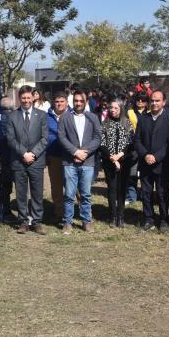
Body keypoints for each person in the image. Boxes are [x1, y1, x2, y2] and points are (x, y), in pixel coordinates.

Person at [7, 85, 49, 234]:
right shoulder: (12, 116)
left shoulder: (42, 115)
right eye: (23, 98)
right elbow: (10, 139)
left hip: (36, 161)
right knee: (21, 192)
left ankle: (37, 221)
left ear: (33, 97)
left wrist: (33, 154)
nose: (26, 100)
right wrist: (24, 153)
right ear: (19, 98)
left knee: (37, 192)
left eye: (28, 97)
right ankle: (23, 221)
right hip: (19, 161)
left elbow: (45, 138)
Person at [58, 90, 102, 233]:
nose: (78, 103)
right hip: (70, 162)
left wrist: (85, 152)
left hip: (87, 162)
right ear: (73, 102)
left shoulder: (93, 118)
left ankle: (86, 221)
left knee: (86, 194)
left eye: (81, 101)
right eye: (76, 101)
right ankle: (68, 222)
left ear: (86, 102)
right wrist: (75, 152)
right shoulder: (65, 117)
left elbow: (97, 138)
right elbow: (62, 137)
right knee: (69, 194)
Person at [135, 89, 169, 232]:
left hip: (163, 163)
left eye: (157, 100)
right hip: (145, 162)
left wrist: (157, 156)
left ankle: (164, 219)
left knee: (162, 193)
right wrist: (145, 154)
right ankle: (149, 219)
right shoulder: (143, 118)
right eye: (152, 100)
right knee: (146, 192)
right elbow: (137, 140)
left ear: (164, 102)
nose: (154, 103)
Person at [100, 97, 135, 228]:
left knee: (122, 189)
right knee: (112, 189)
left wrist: (120, 155)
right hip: (109, 161)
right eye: (111, 107)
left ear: (121, 109)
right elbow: (102, 144)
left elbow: (131, 143)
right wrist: (112, 158)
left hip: (124, 161)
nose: (113, 110)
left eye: (116, 108)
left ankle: (121, 216)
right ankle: (112, 216)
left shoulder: (127, 123)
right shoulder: (105, 123)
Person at [46, 92, 69, 220]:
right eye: (57, 102)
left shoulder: (73, 115)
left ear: (67, 102)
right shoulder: (46, 117)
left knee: (75, 185)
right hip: (54, 156)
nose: (59, 104)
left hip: (71, 156)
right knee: (56, 185)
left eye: (62, 101)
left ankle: (80, 211)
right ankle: (59, 211)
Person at [0, 96, 16, 223]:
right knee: (19, 186)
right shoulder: (15, 117)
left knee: (4, 187)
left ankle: (5, 211)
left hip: (3, 158)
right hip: (14, 157)